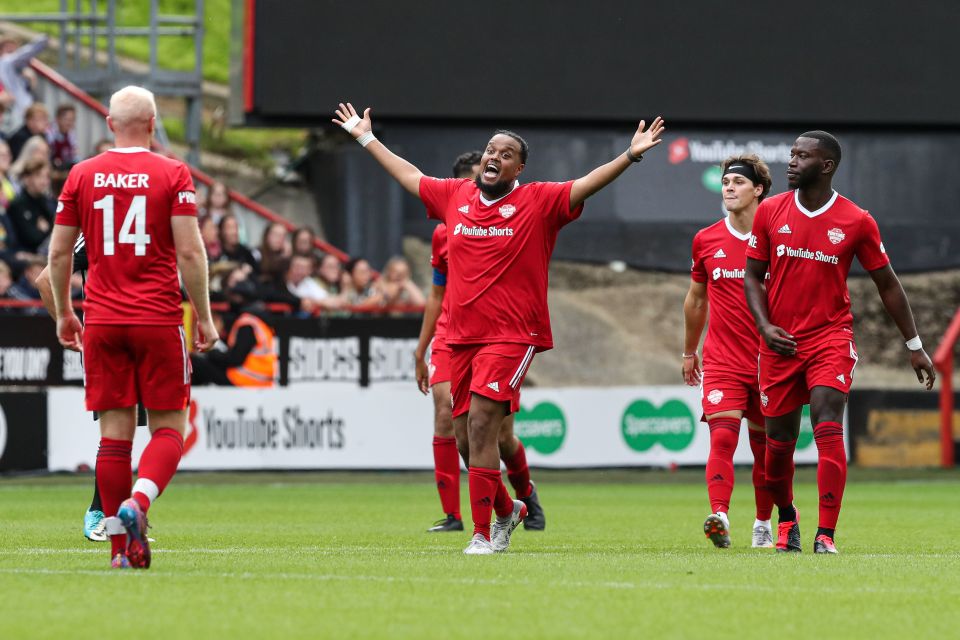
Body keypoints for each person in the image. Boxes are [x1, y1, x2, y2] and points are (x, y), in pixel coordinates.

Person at [334, 101, 665, 554]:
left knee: (487, 424)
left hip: (512, 334)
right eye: (491, 149)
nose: (495, 156)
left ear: (520, 167)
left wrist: (629, 156)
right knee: (467, 437)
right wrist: (365, 138)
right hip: (462, 336)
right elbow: (410, 177)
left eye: (506, 153)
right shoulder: (456, 196)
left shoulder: (538, 201)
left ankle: (482, 533)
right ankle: (508, 511)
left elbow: (585, 184)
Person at [47, 85, 217, 569]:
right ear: (153, 122)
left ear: (109, 124)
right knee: (168, 429)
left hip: (101, 320)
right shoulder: (172, 172)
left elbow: (59, 255)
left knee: (113, 438)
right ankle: (138, 505)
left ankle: (121, 551)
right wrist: (203, 314)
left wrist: (64, 312)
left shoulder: (82, 174)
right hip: (158, 318)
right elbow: (189, 251)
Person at [743, 131, 935, 554]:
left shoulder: (856, 220)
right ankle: (788, 518)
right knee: (776, 452)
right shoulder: (770, 211)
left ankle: (825, 534)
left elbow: (888, 284)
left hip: (830, 337)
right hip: (779, 345)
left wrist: (914, 345)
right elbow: (752, 276)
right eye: (791, 154)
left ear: (826, 165)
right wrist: (764, 326)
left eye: (801, 156)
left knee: (828, 424)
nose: (791, 162)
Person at [414, 150, 546, 534]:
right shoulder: (446, 227)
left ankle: (524, 496)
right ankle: (457, 516)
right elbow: (437, 294)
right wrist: (421, 348)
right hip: (453, 332)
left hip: (501, 334)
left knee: (498, 436)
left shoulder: (520, 211)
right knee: (449, 418)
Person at [683, 155, 774, 549]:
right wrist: (690, 351)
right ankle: (719, 514)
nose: (729, 188)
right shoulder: (706, 240)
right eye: (725, 182)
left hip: (771, 361)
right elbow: (696, 299)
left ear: (758, 190)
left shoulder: (780, 239)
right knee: (722, 438)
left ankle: (763, 523)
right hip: (722, 360)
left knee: (765, 450)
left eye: (739, 182)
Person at [191, 269, 277, 387]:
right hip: (260, 379)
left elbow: (235, 359)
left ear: (240, 298)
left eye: (233, 297)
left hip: (245, 379)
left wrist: (210, 354)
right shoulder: (259, 319)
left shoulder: (247, 323)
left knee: (194, 362)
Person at [6, 157, 54, 254]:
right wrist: (46, 230)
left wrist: (45, 229)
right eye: (38, 176)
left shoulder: (49, 202)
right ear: (26, 178)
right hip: (25, 254)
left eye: (47, 177)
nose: (44, 181)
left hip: (46, 252)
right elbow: (31, 238)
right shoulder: (17, 205)